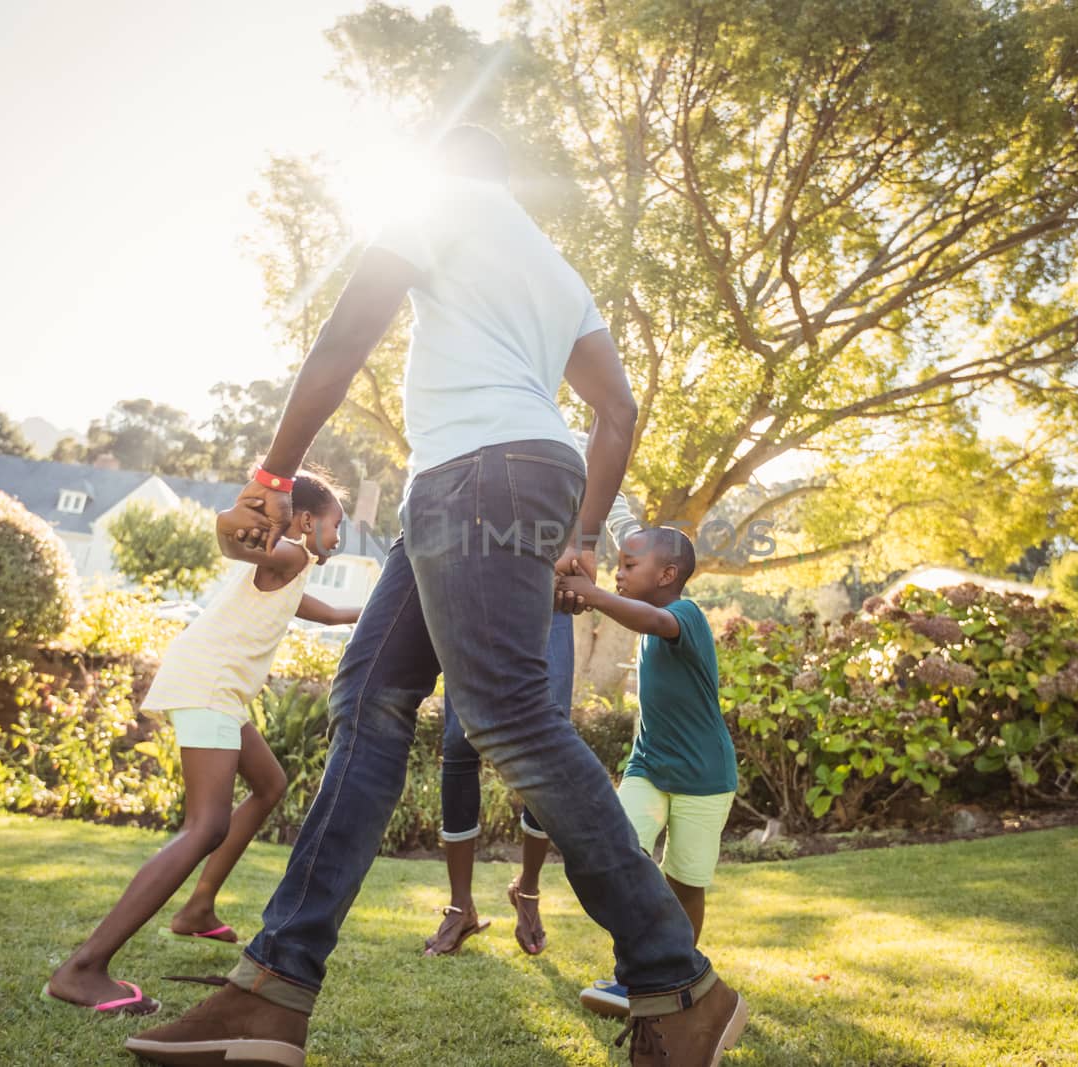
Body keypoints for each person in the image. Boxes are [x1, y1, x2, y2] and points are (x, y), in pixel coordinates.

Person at [125, 124, 746, 1067]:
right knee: (368, 700)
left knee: (504, 712)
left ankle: (679, 979)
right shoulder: (551, 267)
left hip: (475, 476)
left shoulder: (436, 206)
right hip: (489, 481)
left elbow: (347, 332)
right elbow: (616, 413)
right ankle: (273, 990)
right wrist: (579, 539)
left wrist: (274, 473)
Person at [43, 472, 359, 1016]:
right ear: (308, 521)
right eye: (337, 527)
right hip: (209, 685)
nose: (341, 539)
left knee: (268, 784)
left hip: (219, 690)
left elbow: (325, 613)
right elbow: (240, 542)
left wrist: (385, 613)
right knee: (207, 825)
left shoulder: (295, 569)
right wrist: (237, 523)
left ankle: (198, 908)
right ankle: (82, 969)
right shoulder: (284, 556)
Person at [425, 479, 640, 958]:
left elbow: (615, 508)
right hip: (473, 600)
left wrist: (623, 548)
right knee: (460, 743)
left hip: (548, 607)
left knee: (549, 742)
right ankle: (461, 908)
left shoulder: (578, 449)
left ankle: (528, 889)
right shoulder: (481, 437)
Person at [556, 527, 737, 1019]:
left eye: (630, 565)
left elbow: (654, 620)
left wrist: (592, 595)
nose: (619, 572)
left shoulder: (685, 616)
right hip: (650, 768)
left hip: (704, 778)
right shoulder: (649, 615)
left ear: (667, 574)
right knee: (622, 857)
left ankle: (679, 977)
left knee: (685, 882)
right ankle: (631, 973)